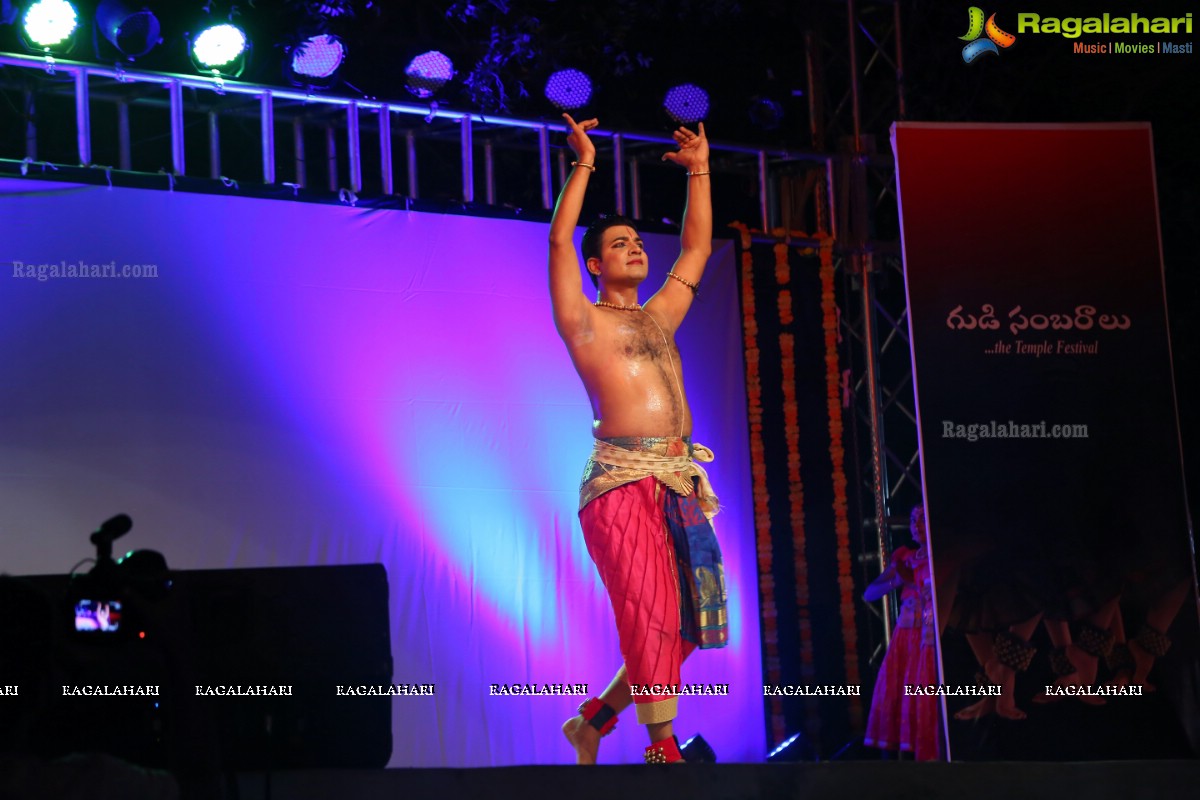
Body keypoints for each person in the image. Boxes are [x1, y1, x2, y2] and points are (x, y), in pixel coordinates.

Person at [549, 113, 727, 765]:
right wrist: (584, 163)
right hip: (620, 485)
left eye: (636, 241)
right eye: (618, 243)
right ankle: (663, 750)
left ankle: (594, 720)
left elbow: (698, 250)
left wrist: (700, 170)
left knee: (685, 626)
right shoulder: (583, 321)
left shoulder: (658, 318)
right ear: (598, 263)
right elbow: (559, 244)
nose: (634, 247)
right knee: (647, 614)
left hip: (678, 483)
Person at [863, 505, 940, 761]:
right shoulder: (905, 556)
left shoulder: (940, 558)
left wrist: (916, 583)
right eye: (912, 521)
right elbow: (869, 594)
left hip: (929, 637)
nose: (916, 526)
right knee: (897, 694)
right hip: (905, 638)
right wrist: (897, 579)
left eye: (922, 520)